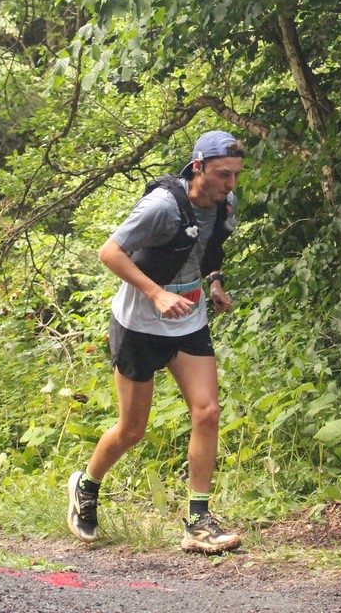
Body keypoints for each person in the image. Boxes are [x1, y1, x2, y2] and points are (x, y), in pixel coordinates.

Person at [67, 130, 245, 553]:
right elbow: (110, 252)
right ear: (198, 167)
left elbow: (207, 248)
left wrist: (214, 282)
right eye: (223, 174)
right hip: (139, 323)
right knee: (132, 430)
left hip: (188, 320)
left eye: (236, 174)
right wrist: (156, 293)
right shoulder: (162, 205)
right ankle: (86, 486)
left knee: (207, 412)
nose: (231, 184)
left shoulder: (225, 204)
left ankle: (198, 522)